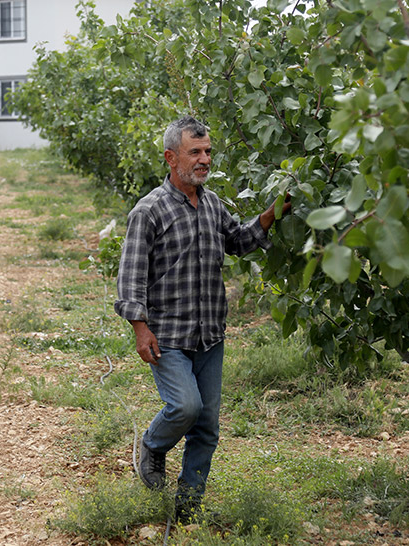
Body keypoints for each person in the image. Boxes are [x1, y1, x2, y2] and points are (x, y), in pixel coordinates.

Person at [113, 116, 289, 523]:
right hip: (168, 335)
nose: (205, 159)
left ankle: (188, 505)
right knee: (185, 406)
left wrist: (270, 215)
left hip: (210, 335)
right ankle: (154, 446)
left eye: (208, 151)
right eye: (196, 152)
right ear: (171, 158)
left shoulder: (212, 205)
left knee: (207, 426)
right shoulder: (149, 211)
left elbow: (239, 241)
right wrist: (140, 327)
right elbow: (131, 275)